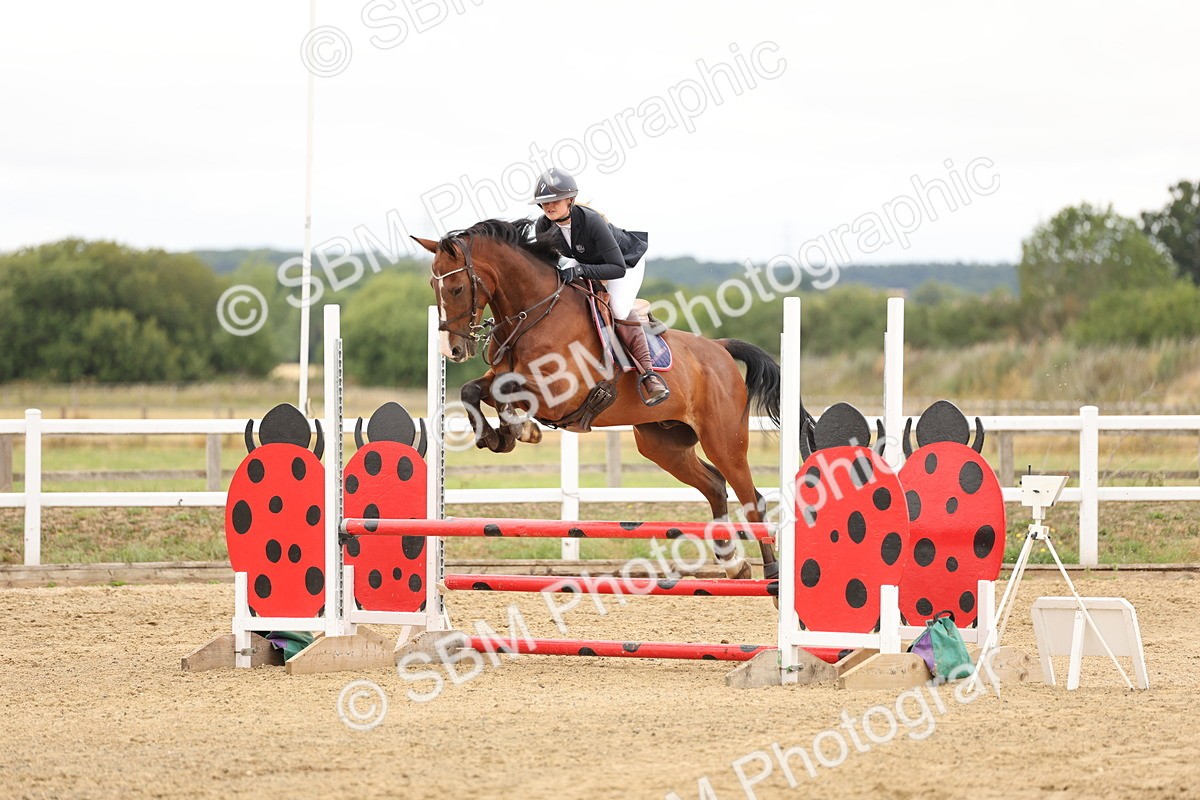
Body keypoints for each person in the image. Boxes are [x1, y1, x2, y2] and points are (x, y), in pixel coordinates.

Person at [531, 168, 670, 406]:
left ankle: (649, 375)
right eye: (544, 202)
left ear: (570, 200)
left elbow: (617, 268)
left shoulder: (591, 221)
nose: (549, 206)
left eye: (555, 201)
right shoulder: (544, 226)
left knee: (617, 309)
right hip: (587, 261)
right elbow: (545, 264)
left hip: (625, 263)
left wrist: (579, 271)